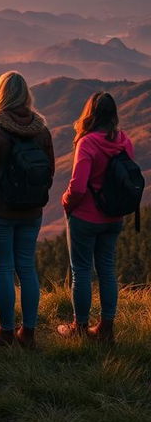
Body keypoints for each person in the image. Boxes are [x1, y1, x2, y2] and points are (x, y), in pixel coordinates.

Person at [0, 71, 54, 349]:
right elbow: (49, 172)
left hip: (1, 210)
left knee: (4, 271)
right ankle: (29, 333)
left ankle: (6, 332)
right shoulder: (41, 129)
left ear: (0, 94)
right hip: (32, 211)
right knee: (27, 268)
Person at [57, 92, 135, 343]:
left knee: (81, 271)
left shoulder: (88, 143)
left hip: (85, 218)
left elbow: (78, 187)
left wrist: (66, 202)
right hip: (113, 217)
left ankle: (79, 327)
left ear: (89, 113)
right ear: (114, 114)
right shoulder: (125, 141)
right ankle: (106, 328)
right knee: (107, 271)